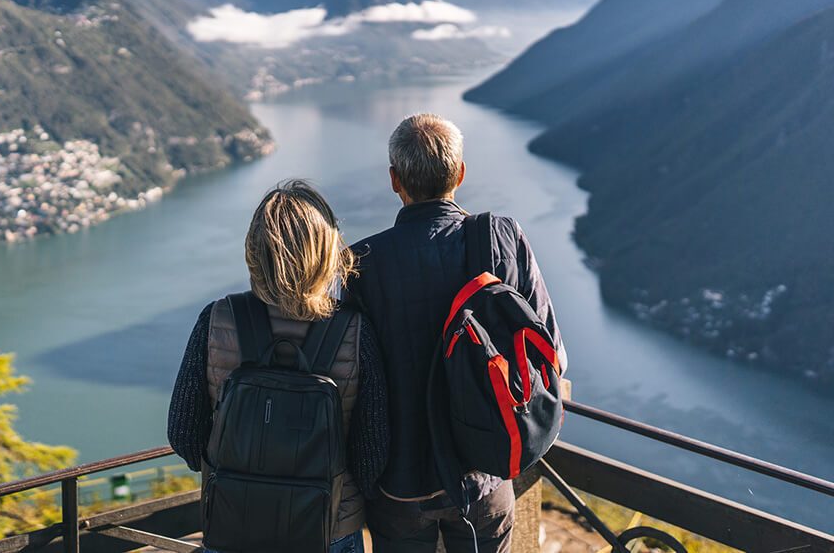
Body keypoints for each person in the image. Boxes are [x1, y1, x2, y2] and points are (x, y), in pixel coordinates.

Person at [344, 113, 567, 553]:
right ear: (460, 173)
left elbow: (350, 380)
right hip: (482, 475)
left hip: (399, 484)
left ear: (394, 180)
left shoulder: (359, 264)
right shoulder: (503, 239)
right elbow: (551, 355)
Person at [168, 179, 389, 553]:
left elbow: (184, 434)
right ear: (325, 253)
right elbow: (372, 457)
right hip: (328, 531)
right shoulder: (355, 331)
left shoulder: (217, 319)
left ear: (254, 251)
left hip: (233, 525)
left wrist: (240, 475)